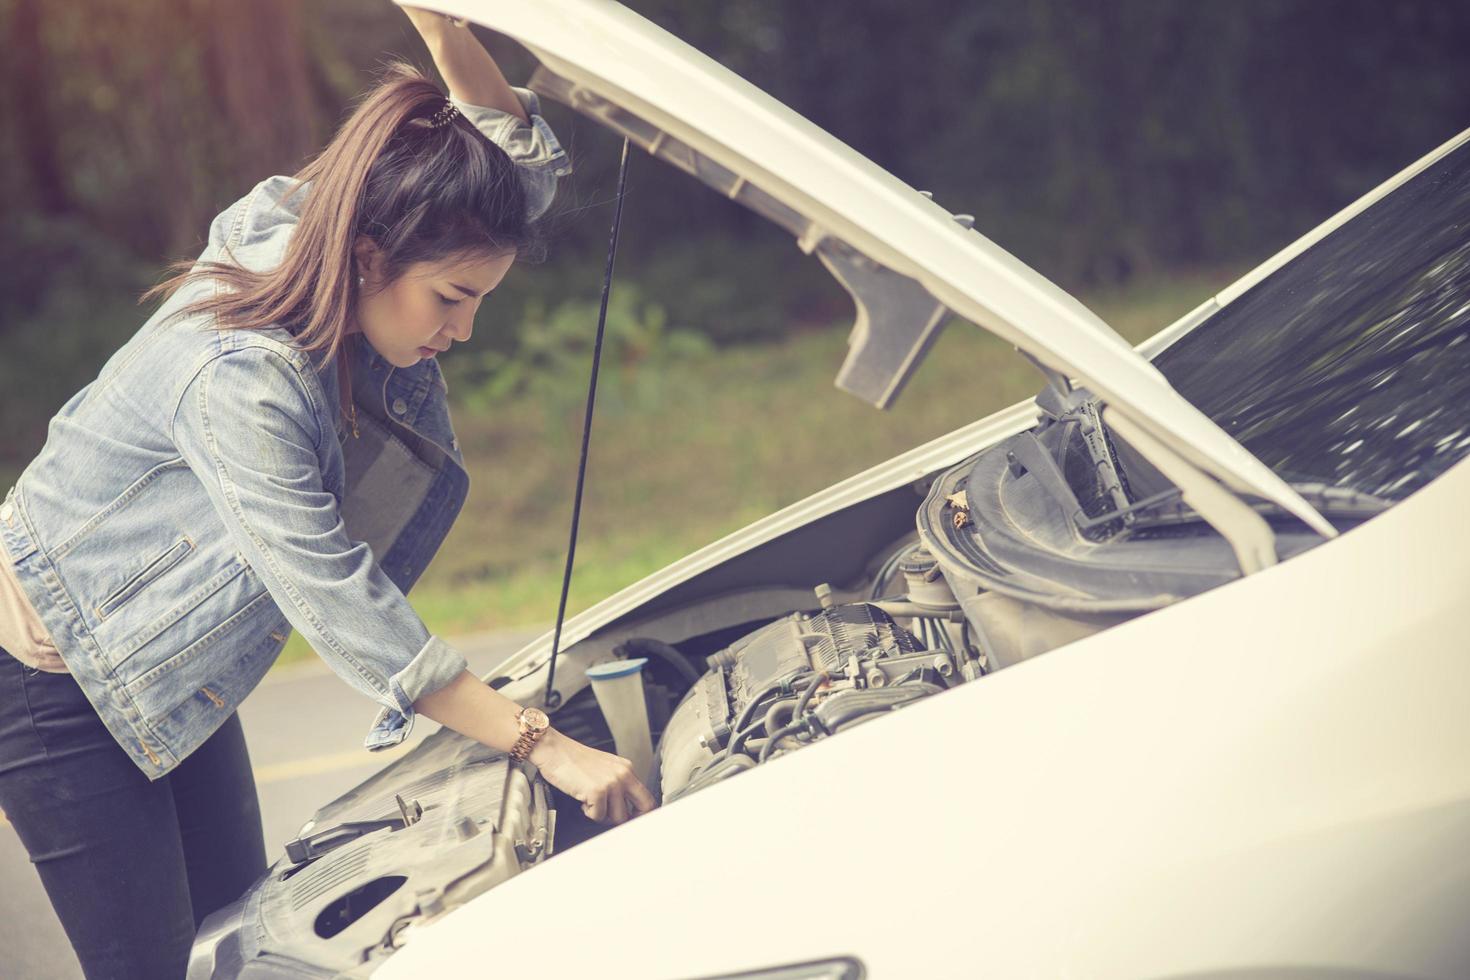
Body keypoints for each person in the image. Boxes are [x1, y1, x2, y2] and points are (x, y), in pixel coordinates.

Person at [0, 7, 655, 977]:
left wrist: (444, 36)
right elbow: (333, 590)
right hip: (55, 680)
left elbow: (518, 165)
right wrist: (542, 744)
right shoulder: (242, 377)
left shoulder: (332, 223)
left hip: (157, 652)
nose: (464, 331)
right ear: (367, 259)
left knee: (241, 945)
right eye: (451, 298)